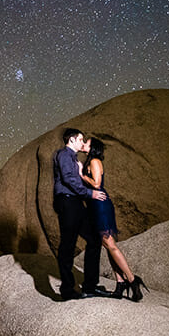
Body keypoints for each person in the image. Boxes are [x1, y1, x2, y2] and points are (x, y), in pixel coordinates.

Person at [79, 137, 147, 302]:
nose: (83, 144)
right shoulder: (90, 161)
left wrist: (81, 174)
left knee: (110, 245)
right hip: (95, 206)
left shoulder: (95, 161)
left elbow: (97, 184)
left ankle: (132, 280)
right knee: (107, 245)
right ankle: (120, 282)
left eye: (86, 142)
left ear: (92, 147)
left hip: (100, 206)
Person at [52, 128, 116, 300]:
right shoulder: (64, 155)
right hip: (67, 202)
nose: (83, 142)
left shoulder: (74, 158)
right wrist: (90, 194)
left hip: (75, 202)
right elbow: (68, 179)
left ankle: (90, 286)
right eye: (81, 139)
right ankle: (67, 290)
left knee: (95, 239)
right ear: (72, 140)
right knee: (68, 244)